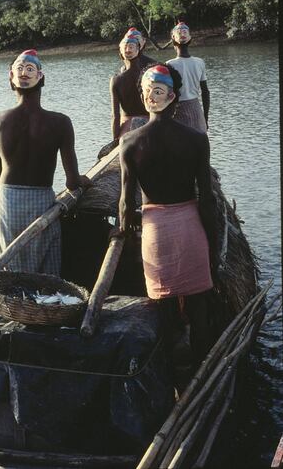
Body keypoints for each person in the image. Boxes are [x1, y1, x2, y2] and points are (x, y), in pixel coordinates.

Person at [118, 62, 219, 371]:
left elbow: (125, 202)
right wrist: (212, 244)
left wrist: (123, 229)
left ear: (168, 96)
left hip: (156, 231)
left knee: (163, 306)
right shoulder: (196, 140)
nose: (151, 95)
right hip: (190, 225)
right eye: (149, 90)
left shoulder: (129, 142)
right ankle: (202, 366)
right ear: (174, 98)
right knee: (197, 304)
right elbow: (207, 197)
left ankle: (169, 370)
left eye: (154, 91)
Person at [0, 49, 90, 275]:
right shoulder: (61, 122)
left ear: (11, 79)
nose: (24, 72)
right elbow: (73, 182)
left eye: (27, 68)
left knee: (9, 270)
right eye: (21, 68)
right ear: (42, 79)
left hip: (6, 202)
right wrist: (85, 180)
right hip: (41, 201)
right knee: (44, 275)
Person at [166, 22, 210, 132]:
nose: (182, 33)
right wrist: (205, 118)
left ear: (173, 40)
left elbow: (167, 94)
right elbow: (205, 92)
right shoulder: (199, 62)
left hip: (177, 110)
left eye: (184, 32)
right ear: (190, 39)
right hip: (196, 109)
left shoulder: (169, 64)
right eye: (180, 32)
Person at [110, 30, 153, 140]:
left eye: (130, 47)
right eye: (126, 46)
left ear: (120, 54)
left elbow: (115, 116)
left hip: (127, 127)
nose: (127, 49)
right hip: (149, 124)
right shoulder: (149, 74)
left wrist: (115, 139)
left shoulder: (116, 79)